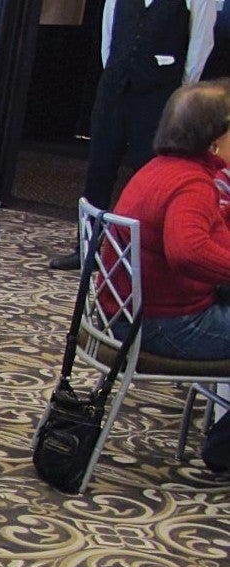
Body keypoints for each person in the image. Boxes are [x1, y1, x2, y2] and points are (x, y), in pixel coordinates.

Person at [111, 80, 230, 468]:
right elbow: (188, 252)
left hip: (128, 315)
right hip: (165, 325)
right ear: (213, 142)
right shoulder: (192, 184)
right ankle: (223, 450)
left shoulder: (159, 169)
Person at [50, 0, 215, 270]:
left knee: (150, 178)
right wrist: (117, 71)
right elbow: (108, 35)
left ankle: (143, 258)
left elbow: (200, 44)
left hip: (160, 93)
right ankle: (86, 249)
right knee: (99, 170)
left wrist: (178, 92)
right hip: (114, 89)